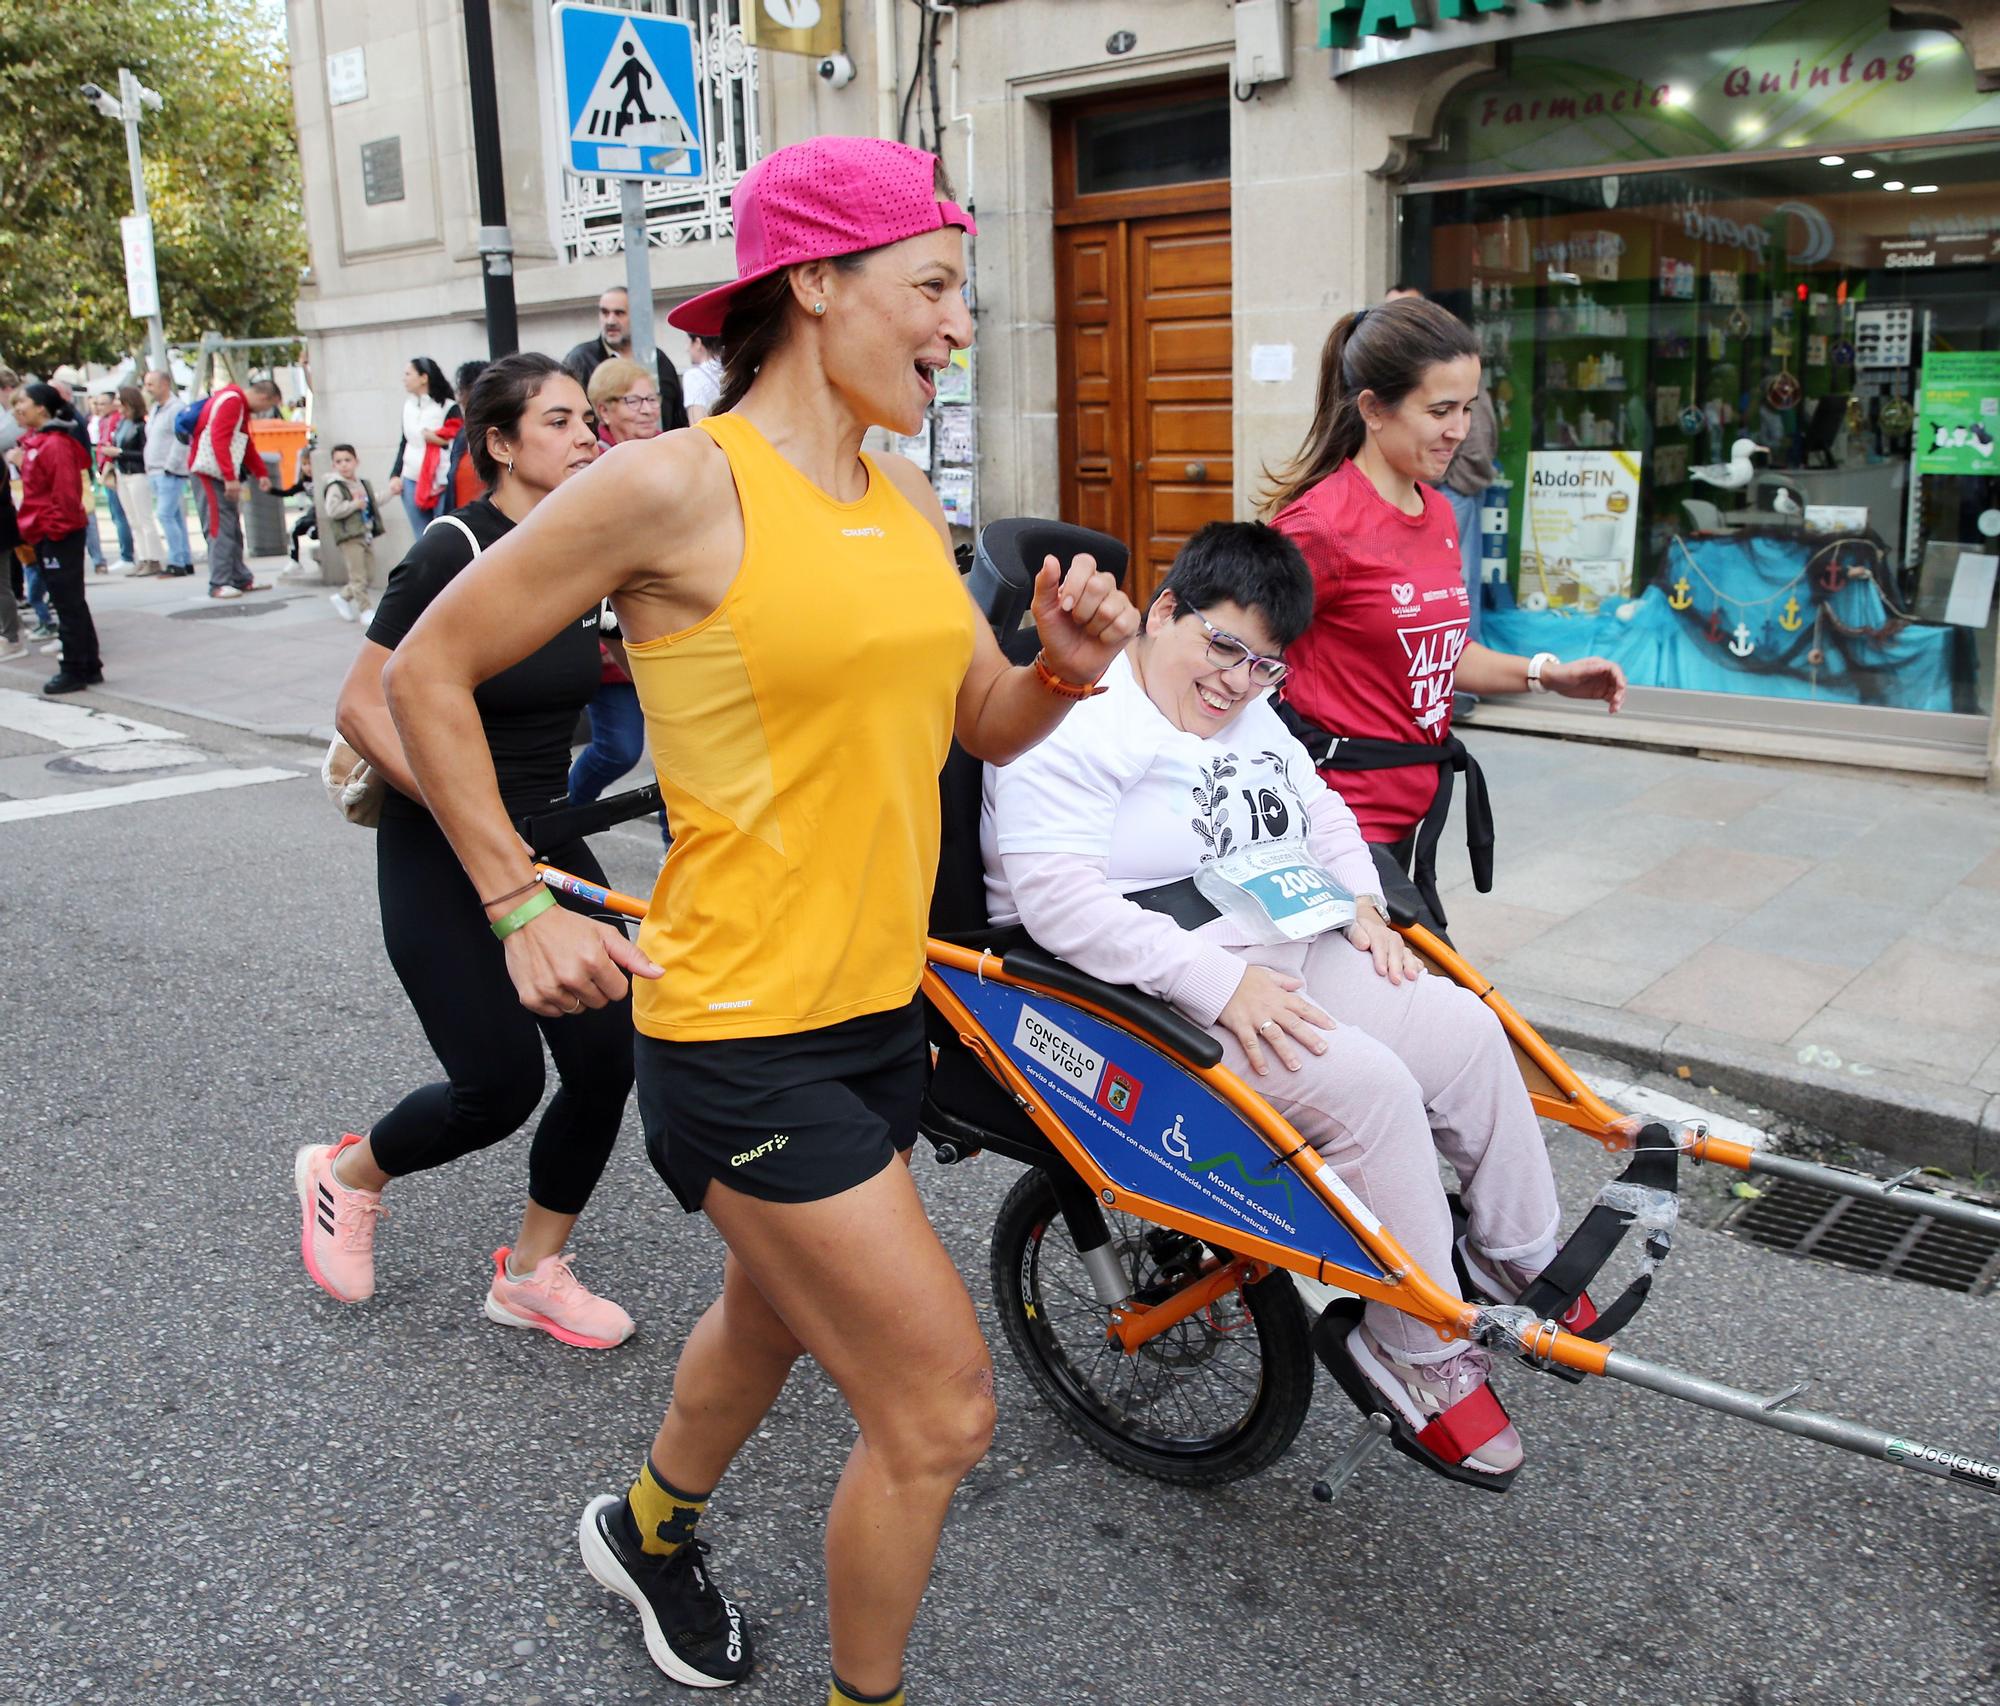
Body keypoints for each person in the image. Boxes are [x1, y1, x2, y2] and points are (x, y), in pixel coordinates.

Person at [378, 136, 1137, 1706]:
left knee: (776, 1317)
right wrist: (518, 897)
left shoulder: (901, 485)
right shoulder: (676, 481)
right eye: (930, 286)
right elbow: (419, 674)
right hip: (737, 1032)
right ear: (816, 283)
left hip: (874, 1009)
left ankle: (650, 1529)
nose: (953, 322)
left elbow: (972, 725)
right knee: (936, 1414)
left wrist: (1056, 664)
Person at [984, 518, 1590, 1482]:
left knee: (1466, 1031)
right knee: (1371, 1090)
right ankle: (1418, 1355)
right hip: (1145, 980)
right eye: (1222, 647)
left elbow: (1320, 810)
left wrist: (1361, 902)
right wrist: (1216, 984)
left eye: (1265, 666)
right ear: (1166, 610)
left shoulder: (1249, 710)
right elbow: (1058, 903)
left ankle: (1516, 1257)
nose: (1236, 683)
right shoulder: (1076, 714)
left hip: (1279, 939)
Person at [303, 353, 639, 1347]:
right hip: (440, 842)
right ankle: (346, 1172)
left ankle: (533, 1271)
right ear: (497, 444)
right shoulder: (452, 549)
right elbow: (363, 704)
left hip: (549, 833)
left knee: (603, 1057)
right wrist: (469, 813)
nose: (587, 436)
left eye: (589, 418)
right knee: (496, 1085)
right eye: (558, 421)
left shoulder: (587, 550)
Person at [1267, 296, 1627, 930]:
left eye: (1468, 407)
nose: (1459, 429)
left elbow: (1442, 651)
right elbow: (1226, 655)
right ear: (1374, 409)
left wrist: (1546, 674)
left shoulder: (1434, 510)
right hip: (1335, 831)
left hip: (1411, 814)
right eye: (1440, 410)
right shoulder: (1319, 527)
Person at [570, 358, 665, 841]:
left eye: (652, 399)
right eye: (635, 401)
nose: (648, 411)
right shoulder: (596, 470)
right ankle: (565, 817)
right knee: (620, 750)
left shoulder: (670, 456)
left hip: (667, 635)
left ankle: (677, 843)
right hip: (614, 644)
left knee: (679, 749)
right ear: (604, 411)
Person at [11, 383, 103, 694]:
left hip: (58, 534)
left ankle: (75, 668)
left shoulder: (54, 444)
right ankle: (87, 665)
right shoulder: (38, 443)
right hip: (49, 532)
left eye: (22, 401)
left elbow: (64, 496)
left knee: (67, 603)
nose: (16, 408)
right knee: (70, 602)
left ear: (41, 407)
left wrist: (51, 531)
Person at [191, 375, 278, 600]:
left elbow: (245, 442)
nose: (264, 411)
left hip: (218, 472)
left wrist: (260, 472)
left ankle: (239, 577)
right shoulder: (232, 402)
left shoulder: (236, 403)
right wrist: (230, 477)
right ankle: (219, 582)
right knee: (219, 525)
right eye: (268, 405)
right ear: (263, 396)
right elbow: (219, 439)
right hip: (210, 474)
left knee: (230, 525)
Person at [562, 286, 690, 432]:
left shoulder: (659, 361)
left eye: (619, 313)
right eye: (605, 312)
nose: (610, 321)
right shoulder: (581, 360)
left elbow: (677, 419)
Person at [386, 357, 456, 539]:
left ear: (424, 377)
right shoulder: (408, 407)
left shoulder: (448, 407)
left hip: (441, 479)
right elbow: (405, 441)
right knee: (421, 537)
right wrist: (395, 474)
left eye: (408, 374)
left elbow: (459, 441)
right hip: (411, 478)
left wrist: (438, 440)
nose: (404, 379)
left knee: (443, 534)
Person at [319, 443, 383, 622]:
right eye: (339, 461)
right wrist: (354, 505)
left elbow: (373, 500)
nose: (344, 465)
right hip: (349, 536)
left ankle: (343, 596)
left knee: (368, 574)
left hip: (365, 533)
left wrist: (390, 493)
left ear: (356, 461)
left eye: (347, 460)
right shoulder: (335, 486)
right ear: (334, 465)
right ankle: (365, 610)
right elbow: (332, 510)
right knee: (358, 576)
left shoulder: (361, 484)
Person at [142, 368, 196, 577]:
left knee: (165, 515)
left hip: (169, 470)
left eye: (151, 384)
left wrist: (171, 465)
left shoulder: (176, 409)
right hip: (155, 469)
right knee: (174, 516)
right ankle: (184, 557)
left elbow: (181, 440)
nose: (148, 389)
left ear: (164, 384)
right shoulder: (156, 409)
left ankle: (176, 561)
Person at [112, 386, 164, 576]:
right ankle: (142, 557)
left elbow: (144, 453)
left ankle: (154, 558)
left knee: (144, 518)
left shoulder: (141, 426)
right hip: (123, 473)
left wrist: (120, 453)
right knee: (133, 519)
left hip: (137, 473)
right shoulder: (121, 424)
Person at [435, 360, 489, 518]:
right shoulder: (463, 435)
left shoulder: (504, 432)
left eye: (462, 391)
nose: (459, 399)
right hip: (464, 524)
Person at [88, 392, 134, 574]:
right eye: (97, 404)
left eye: (103, 403)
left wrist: (107, 467)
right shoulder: (103, 421)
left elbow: (111, 446)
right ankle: (126, 554)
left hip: (113, 470)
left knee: (120, 515)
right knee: (117, 515)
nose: (99, 407)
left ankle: (127, 555)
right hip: (105, 470)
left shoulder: (115, 421)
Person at [680, 333, 723, 421]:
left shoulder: (693, 376)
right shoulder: (734, 369)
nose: (687, 349)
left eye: (688, 343)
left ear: (698, 342)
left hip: (714, 433)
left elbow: (696, 421)